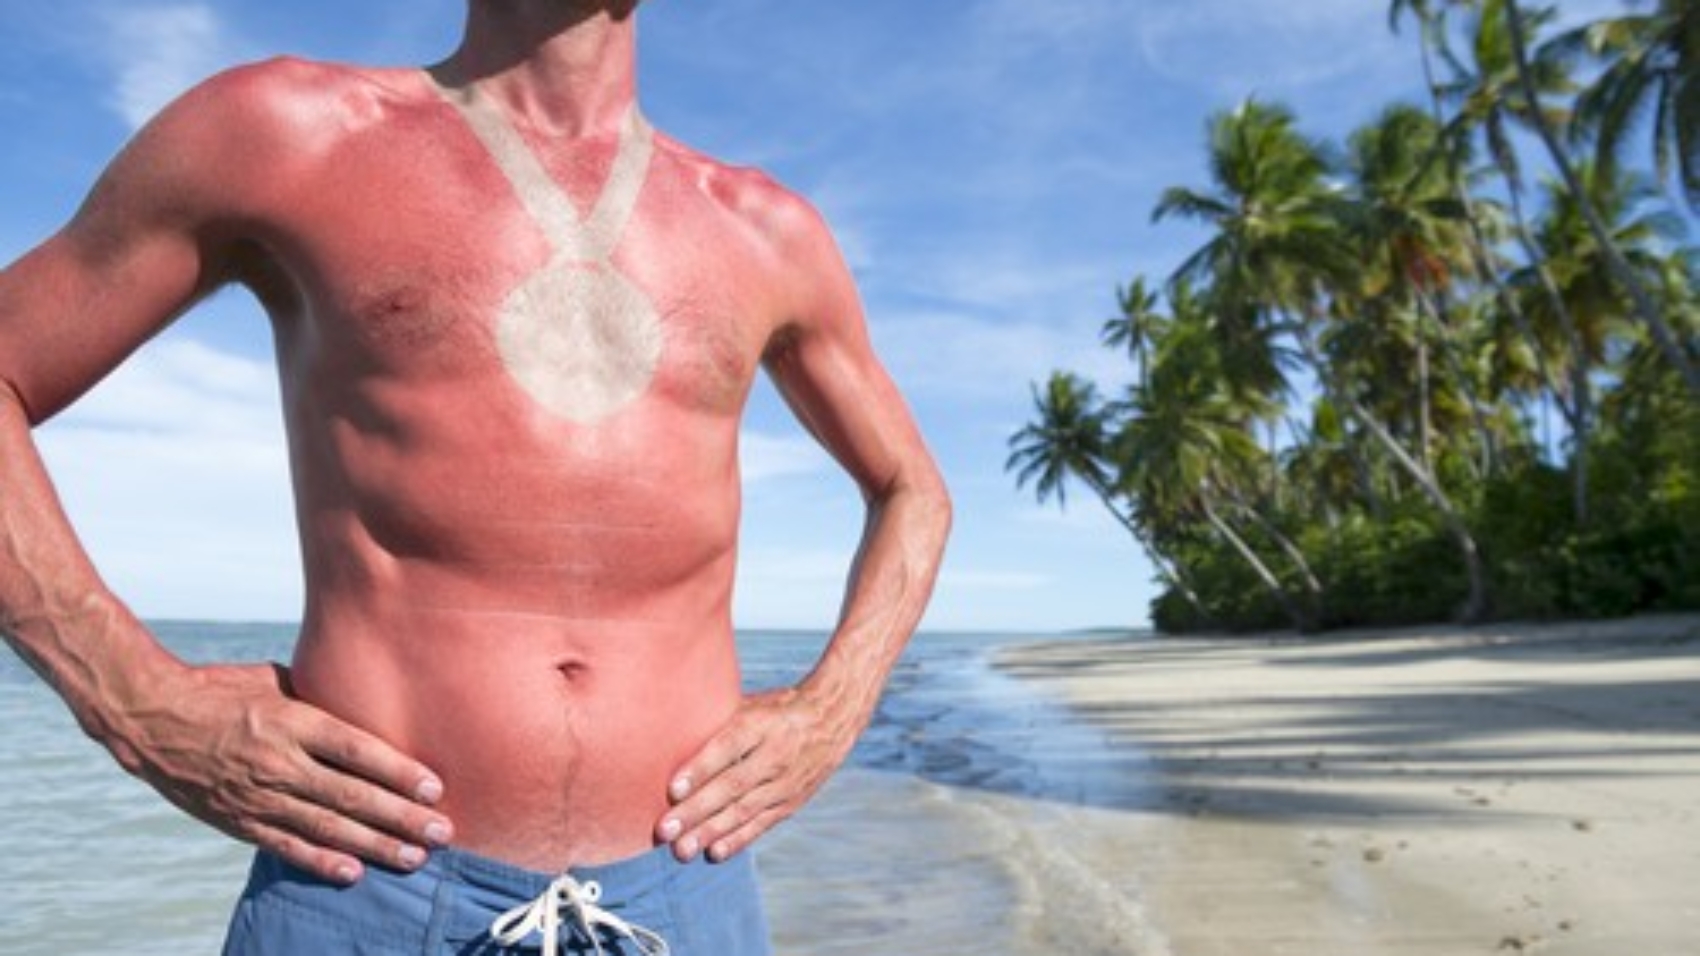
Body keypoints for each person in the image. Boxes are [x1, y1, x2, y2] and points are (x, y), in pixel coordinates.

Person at [0, 1, 951, 953]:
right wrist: (130, 697)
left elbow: (914, 489)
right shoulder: (286, 133)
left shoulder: (766, 231)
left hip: (685, 888)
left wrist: (832, 710)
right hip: (368, 887)